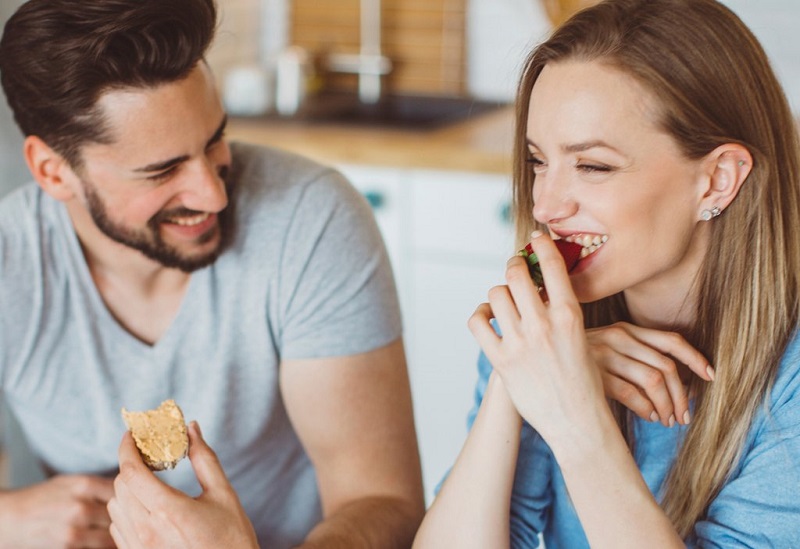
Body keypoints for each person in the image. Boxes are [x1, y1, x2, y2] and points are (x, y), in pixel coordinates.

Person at [0, 0, 424, 547]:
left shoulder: (309, 218)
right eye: (163, 171)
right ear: (53, 172)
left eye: (213, 140)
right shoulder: (10, 260)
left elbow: (383, 501)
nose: (214, 193)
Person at [413, 0, 800, 546]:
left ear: (716, 181)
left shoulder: (791, 381)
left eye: (593, 166)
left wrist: (573, 417)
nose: (545, 206)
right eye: (537, 161)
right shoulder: (540, 333)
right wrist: (515, 379)